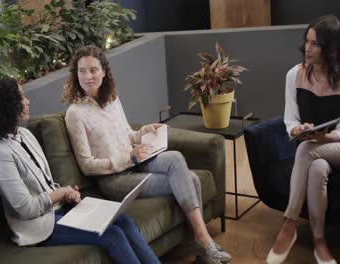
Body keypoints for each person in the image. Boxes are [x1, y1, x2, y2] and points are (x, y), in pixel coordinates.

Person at [62, 45, 232, 263]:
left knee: (176, 158)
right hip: (114, 179)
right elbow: (87, 165)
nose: (88, 76)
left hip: (137, 162)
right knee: (189, 179)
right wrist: (127, 158)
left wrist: (145, 132)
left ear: (104, 71)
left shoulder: (112, 99)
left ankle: (201, 243)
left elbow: (128, 135)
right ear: (75, 75)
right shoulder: (75, 113)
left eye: (93, 70)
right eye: (82, 71)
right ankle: (203, 243)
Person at [0, 77, 160, 264]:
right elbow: (26, 208)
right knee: (112, 235)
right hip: (39, 226)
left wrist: (66, 195)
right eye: (21, 98)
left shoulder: (24, 134)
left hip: (60, 210)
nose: (27, 102)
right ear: (7, 105)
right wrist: (60, 193)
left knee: (124, 221)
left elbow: (44, 183)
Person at [267, 15, 340, 264]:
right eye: (306, 41)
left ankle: (289, 225)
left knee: (307, 150)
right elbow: (290, 120)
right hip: (319, 150)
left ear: (330, 48)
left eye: (315, 44)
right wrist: (299, 130)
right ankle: (320, 242)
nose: (308, 48)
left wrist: (320, 137)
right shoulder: (294, 75)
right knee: (317, 167)